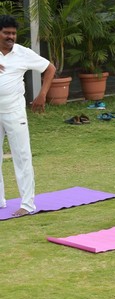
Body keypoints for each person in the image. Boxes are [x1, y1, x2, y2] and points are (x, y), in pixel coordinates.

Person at [0, 15, 55, 217]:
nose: (11, 36)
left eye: (13, 33)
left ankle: (27, 204)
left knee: (22, 156)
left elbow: (50, 68)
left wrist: (42, 94)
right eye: (6, 32)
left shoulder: (22, 53)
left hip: (15, 112)